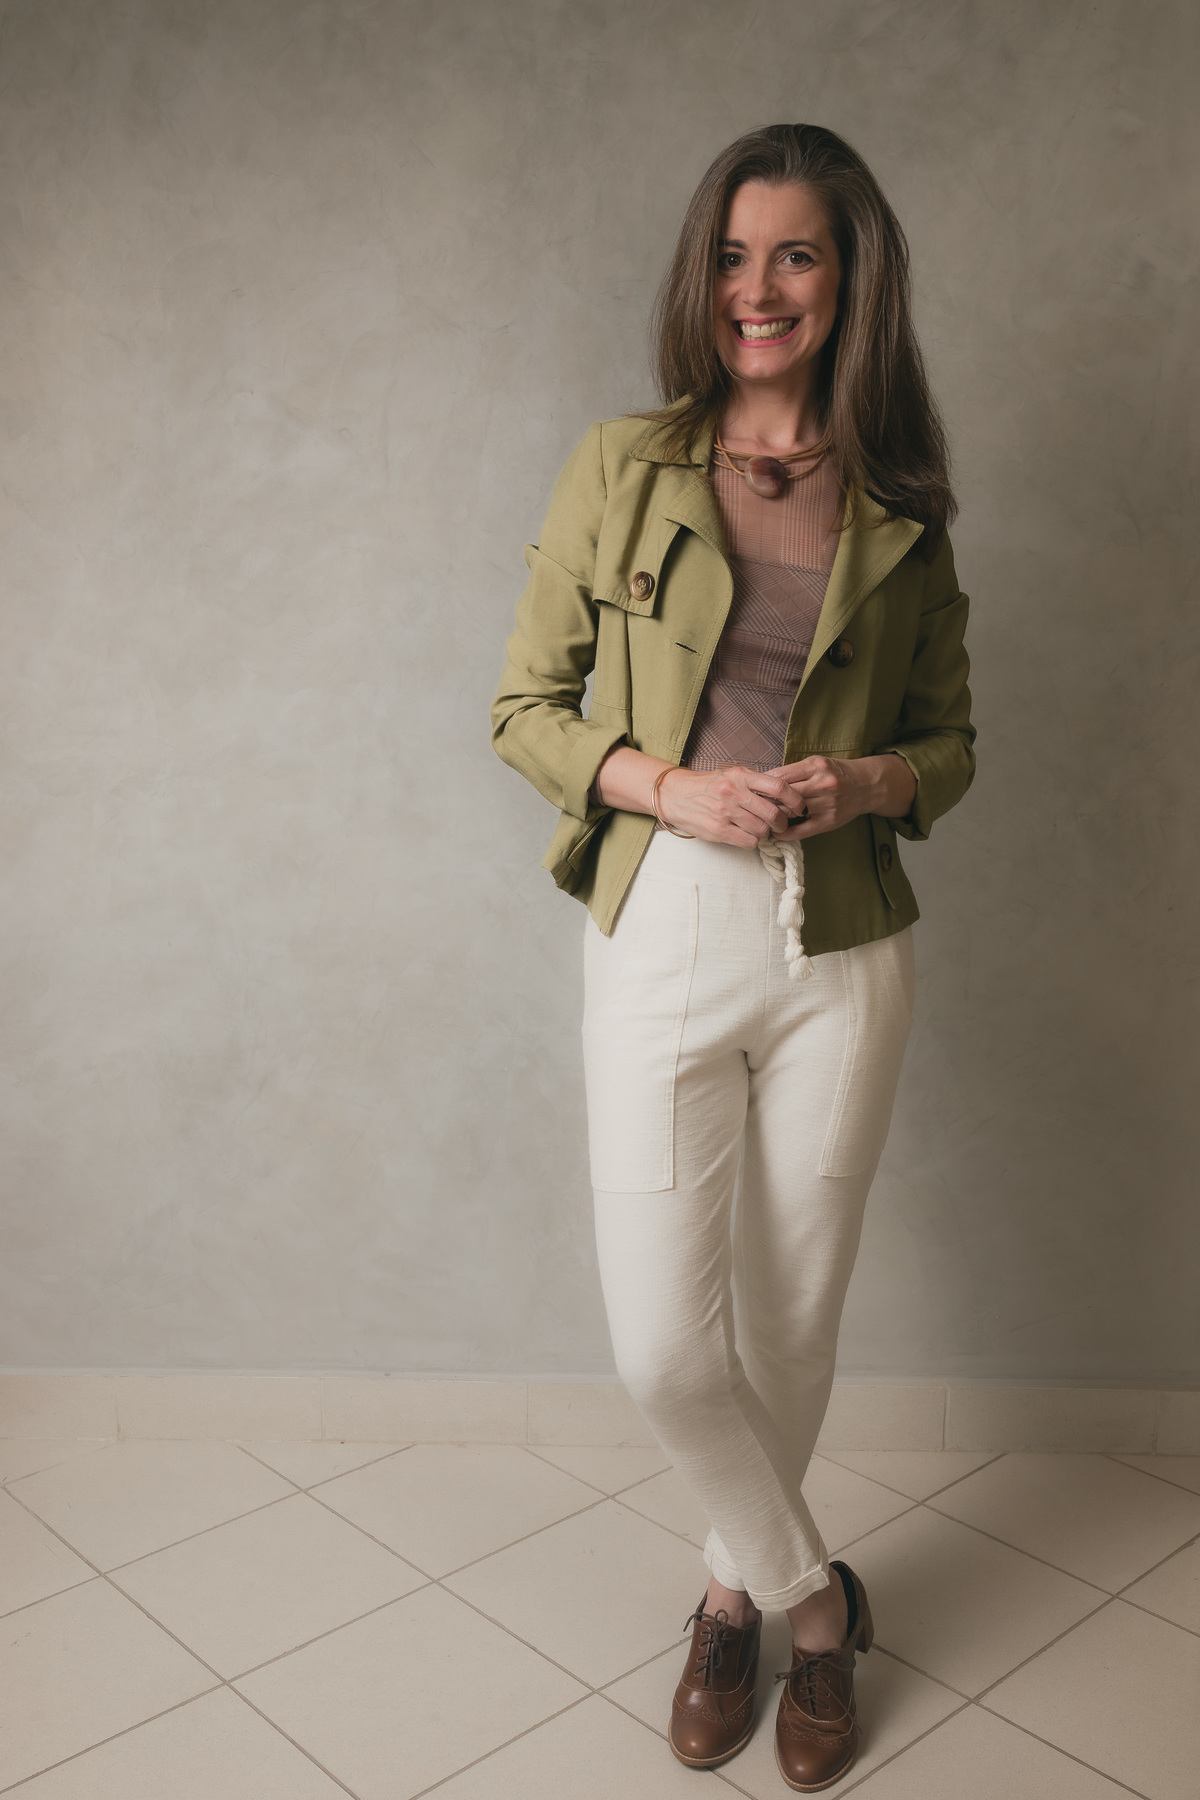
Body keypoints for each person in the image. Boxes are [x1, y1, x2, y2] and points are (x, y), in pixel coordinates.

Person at [491, 122, 975, 1792]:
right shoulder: (621, 465)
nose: (758, 288)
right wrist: (672, 785)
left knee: (791, 1319)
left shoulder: (902, 505)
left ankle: (724, 1599)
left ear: (849, 281)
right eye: (731, 254)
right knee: (665, 1347)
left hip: (842, 944)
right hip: (666, 925)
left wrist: (868, 782)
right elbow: (525, 710)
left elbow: (952, 746)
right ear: (702, 277)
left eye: (796, 254)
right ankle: (813, 1604)